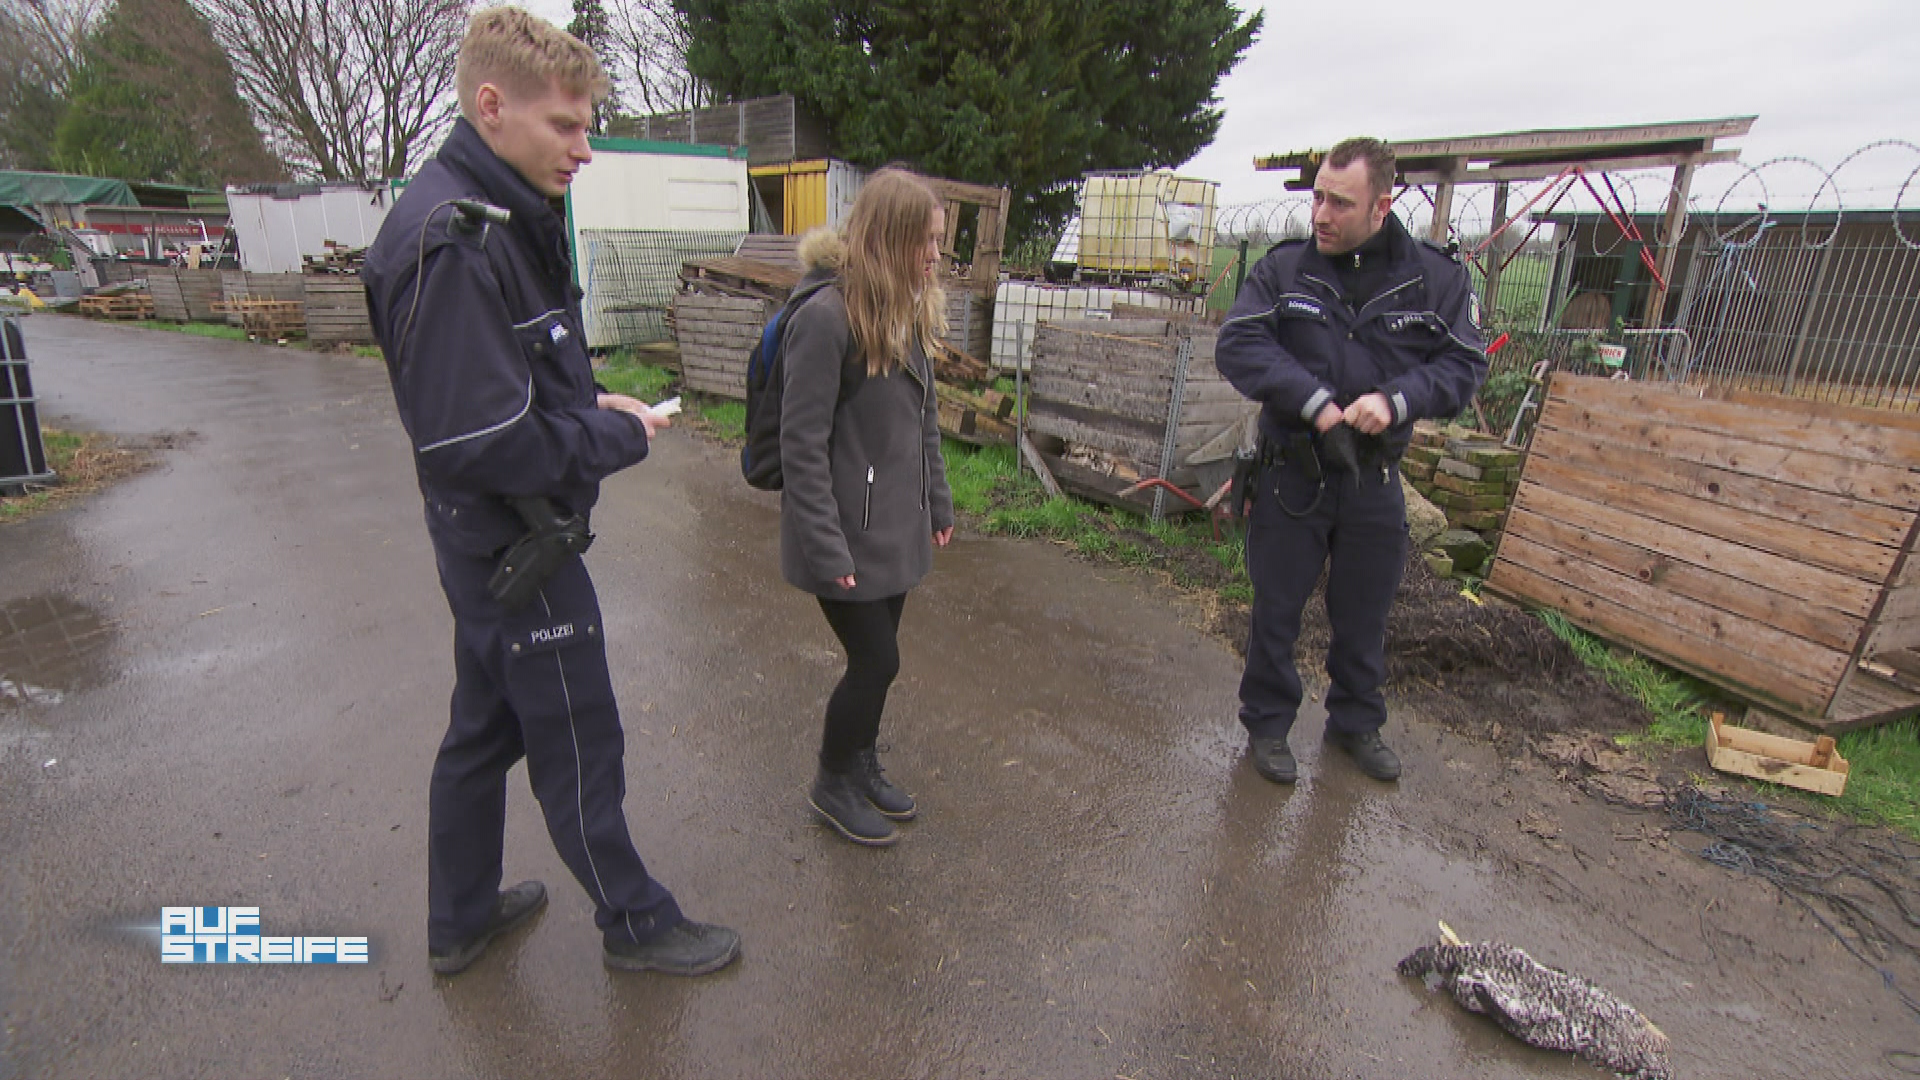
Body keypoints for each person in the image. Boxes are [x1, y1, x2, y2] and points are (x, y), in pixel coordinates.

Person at [361, 6, 739, 977]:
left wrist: (586, 398)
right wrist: (614, 435)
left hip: (489, 543)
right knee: (578, 735)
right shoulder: (455, 240)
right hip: (515, 548)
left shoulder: (491, 216)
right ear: (491, 105)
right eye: (564, 125)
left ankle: (460, 919)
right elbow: (480, 442)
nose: (584, 148)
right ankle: (637, 925)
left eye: (586, 125)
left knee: (483, 731)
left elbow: (503, 381)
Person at [1216, 137, 1488, 785]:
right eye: (1318, 198)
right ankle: (1268, 725)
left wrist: (1396, 400)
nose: (1321, 215)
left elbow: (1463, 364)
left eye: (1340, 202)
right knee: (1276, 610)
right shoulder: (1286, 270)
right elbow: (1239, 343)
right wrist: (1314, 402)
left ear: (1381, 206)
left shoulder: (1434, 280)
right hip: (1293, 473)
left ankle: (1355, 723)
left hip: (1373, 476)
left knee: (1365, 612)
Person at [778, 169, 956, 847]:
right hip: (843, 537)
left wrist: (937, 501)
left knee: (880, 661)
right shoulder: (825, 319)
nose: (935, 255)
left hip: (894, 528)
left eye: (939, 241)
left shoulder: (906, 308)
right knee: (876, 661)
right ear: (889, 236)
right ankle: (832, 779)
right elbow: (801, 446)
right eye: (925, 241)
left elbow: (924, 418)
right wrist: (826, 548)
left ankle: (860, 764)